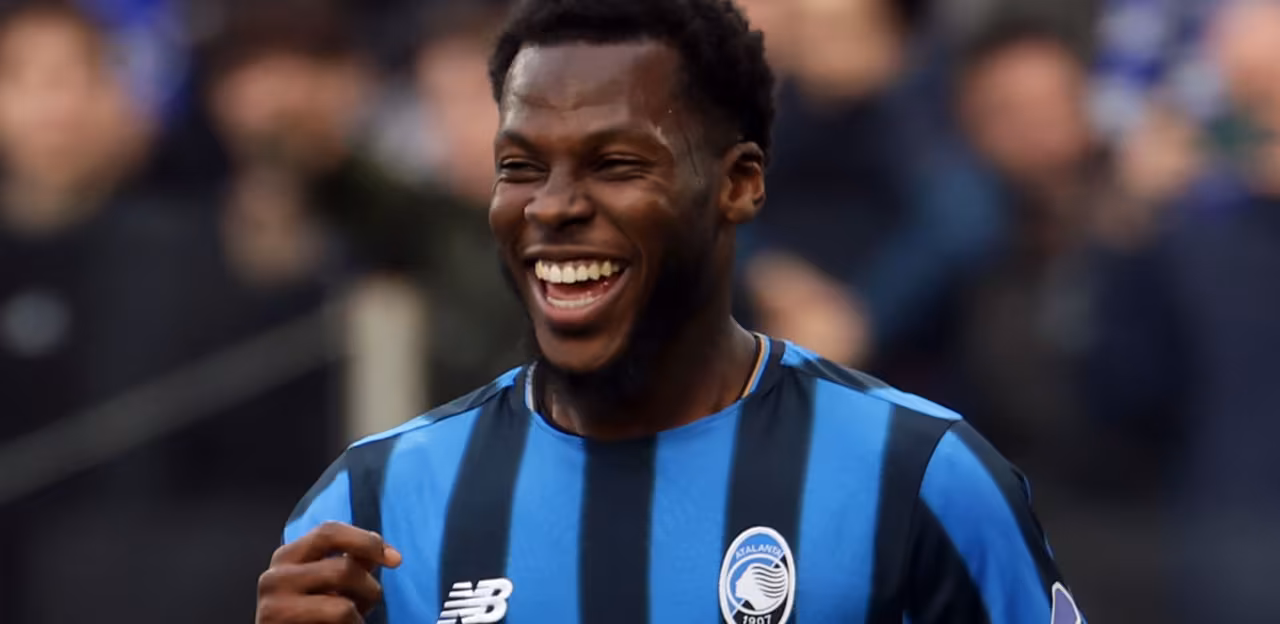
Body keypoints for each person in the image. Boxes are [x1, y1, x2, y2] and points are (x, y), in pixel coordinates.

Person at [256, 1, 1082, 623]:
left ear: (740, 184)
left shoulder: (922, 480)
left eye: (616, 163)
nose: (553, 206)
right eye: (521, 166)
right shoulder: (370, 510)